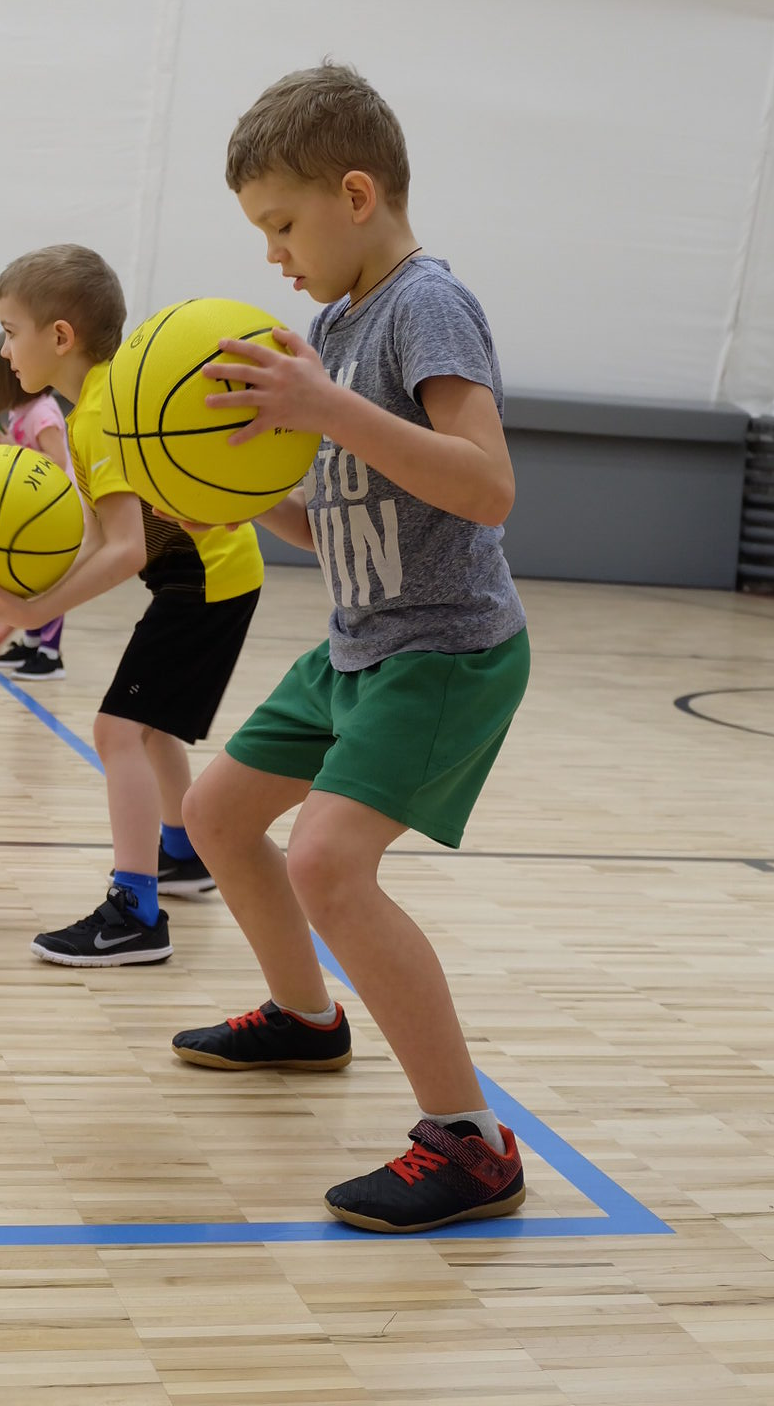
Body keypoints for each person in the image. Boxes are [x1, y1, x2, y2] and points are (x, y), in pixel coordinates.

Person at [169, 63, 531, 1234]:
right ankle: (304, 1019)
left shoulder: (426, 303)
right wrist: (231, 503)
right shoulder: (330, 324)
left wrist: (322, 408)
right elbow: (339, 523)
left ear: (356, 193)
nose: (274, 252)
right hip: (357, 641)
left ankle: (469, 1146)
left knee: (327, 861)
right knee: (219, 815)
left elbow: (486, 490)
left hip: (444, 650)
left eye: (282, 223)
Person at [0, 244, 264, 962]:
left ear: (59, 337)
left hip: (204, 581)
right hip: (210, 576)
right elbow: (101, 532)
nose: (4, 348)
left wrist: (32, 615)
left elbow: (126, 548)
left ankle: (135, 913)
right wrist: (29, 597)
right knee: (148, 732)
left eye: (9, 329)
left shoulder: (101, 415)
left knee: (117, 732)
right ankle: (181, 853)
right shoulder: (101, 400)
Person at [0, 331, 72, 680]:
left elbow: (58, 462)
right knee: (31, 579)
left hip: (56, 511)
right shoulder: (21, 411)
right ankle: (32, 643)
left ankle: (50, 654)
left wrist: (12, 449)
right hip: (33, 513)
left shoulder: (43, 411)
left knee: (49, 583)